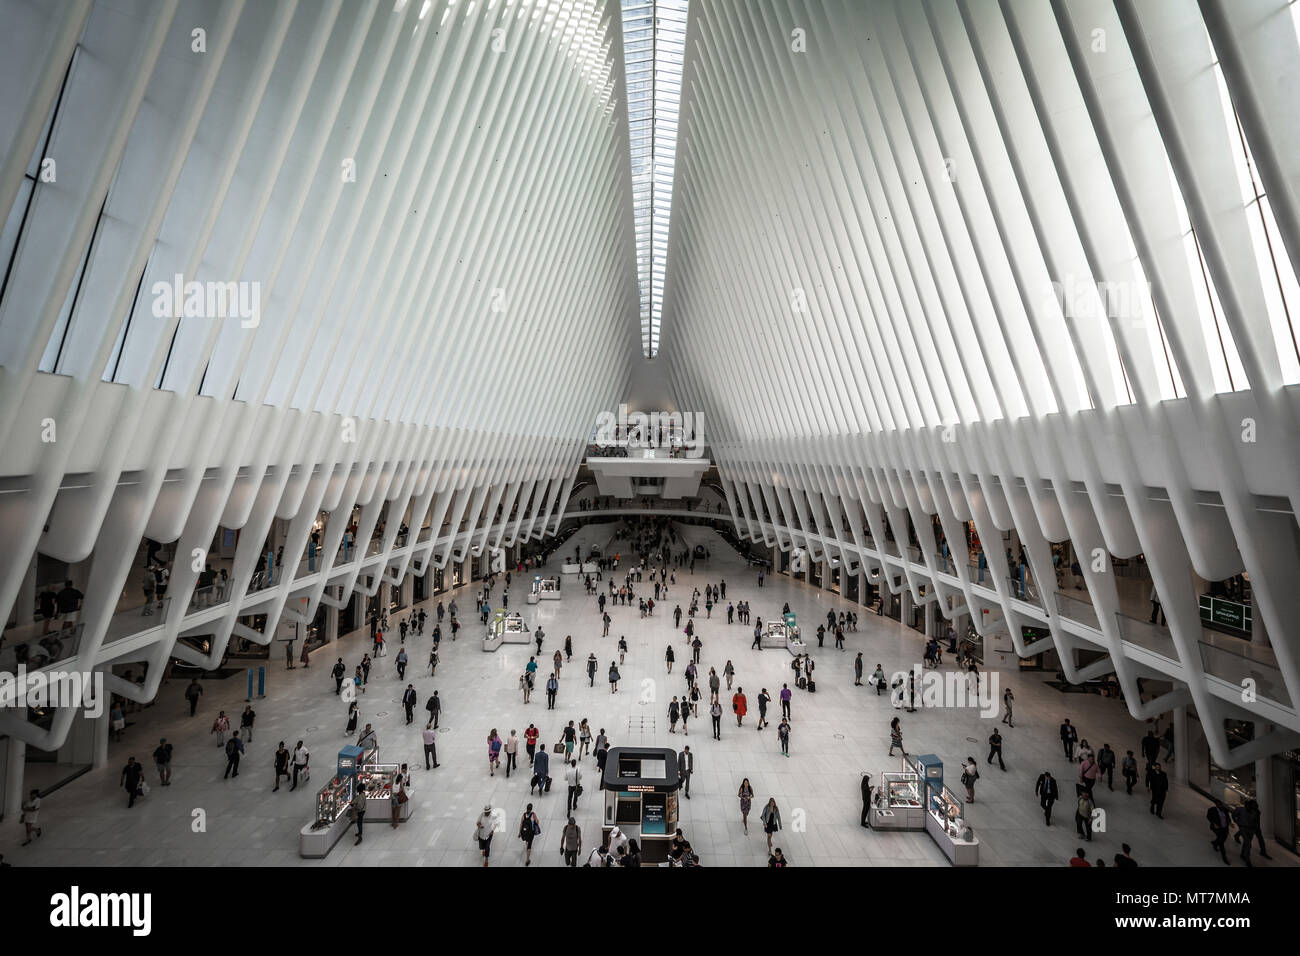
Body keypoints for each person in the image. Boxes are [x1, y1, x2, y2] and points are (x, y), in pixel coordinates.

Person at [1207, 799, 1233, 865]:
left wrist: (1230, 823)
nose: (1220, 806)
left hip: (1225, 828)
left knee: (1223, 839)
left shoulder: (1225, 810)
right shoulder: (1212, 810)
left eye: (1221, 804)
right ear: (1216, 805)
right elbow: (1208, 817)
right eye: (1218, 805)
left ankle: (1215, 843)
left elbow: (1227, 817)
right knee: (1221, 842)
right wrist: (1214, 823)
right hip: (1217, 828)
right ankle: (1224, 857)